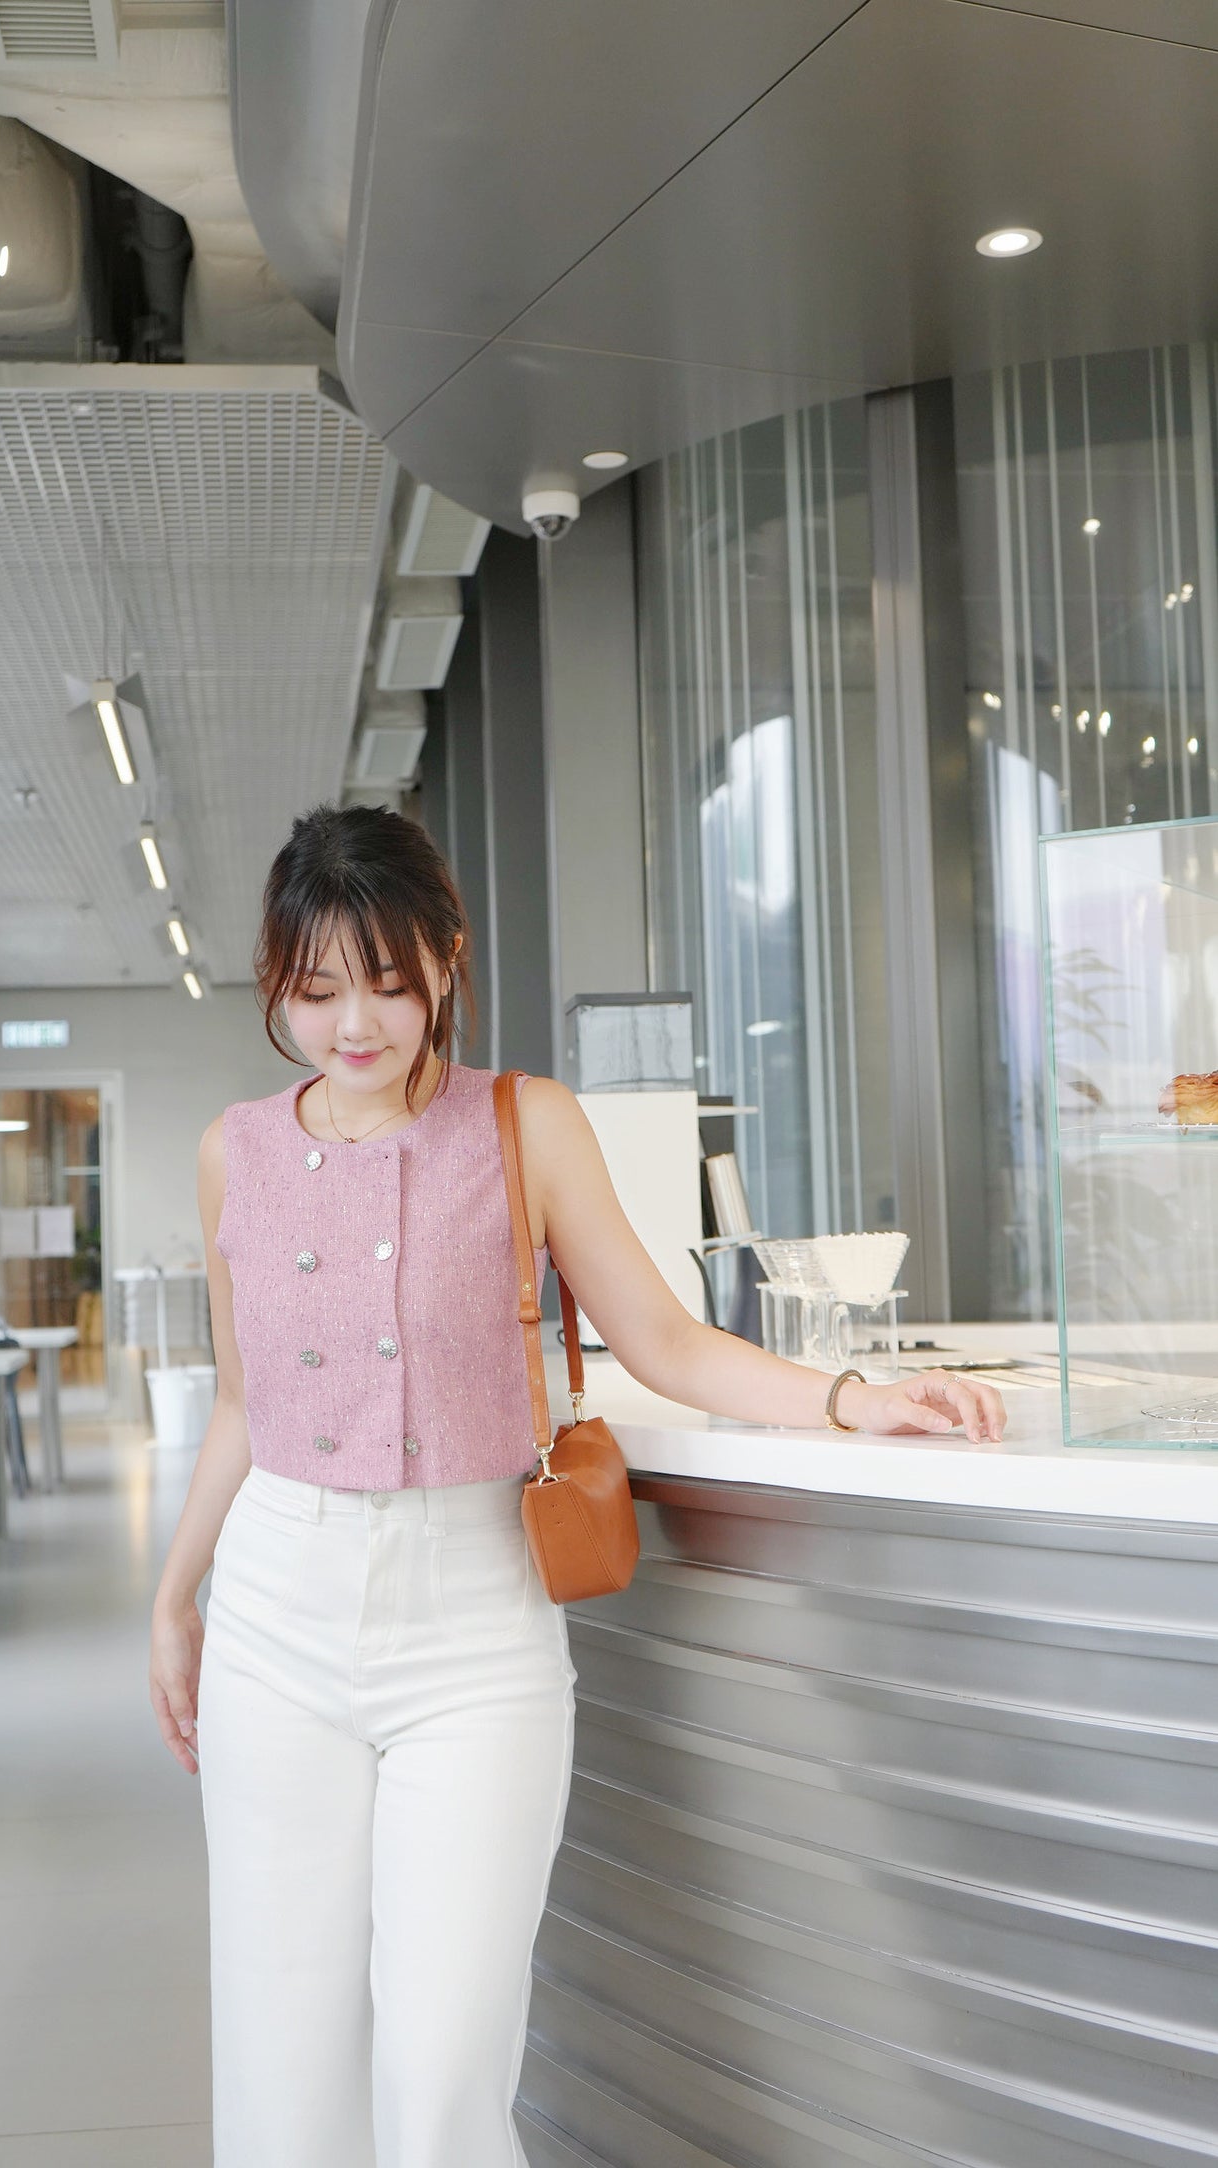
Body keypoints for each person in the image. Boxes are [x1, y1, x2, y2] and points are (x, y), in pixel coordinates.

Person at [149, 802, 1006, 2168]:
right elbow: (247, 1405)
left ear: (445, 956)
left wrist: (853, 1400)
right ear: (276, 986)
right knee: (280, 2060)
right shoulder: (231, 1153)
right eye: (315, 991)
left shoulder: (521, 1123)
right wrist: (175, 1594)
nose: (353, 1024)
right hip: (276, 1615)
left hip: (473, 1629)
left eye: (384, 980)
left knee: (443, 2069)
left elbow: (661, 1339)